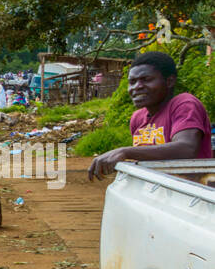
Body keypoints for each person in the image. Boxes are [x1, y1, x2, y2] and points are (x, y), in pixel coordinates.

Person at [89, 51, 213, 179]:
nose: (137, 87)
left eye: (146, 80)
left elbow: (187, 149)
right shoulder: (137, 118)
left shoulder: (184, 104)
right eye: (132, 82)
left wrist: (125, 151)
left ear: (169, 81)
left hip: (190, 193)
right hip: (155, 192)